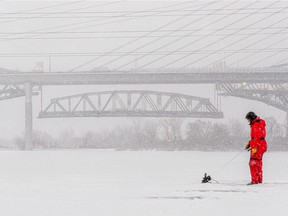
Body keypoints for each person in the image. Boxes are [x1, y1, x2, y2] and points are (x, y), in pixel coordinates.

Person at [245, 112, 268, 185]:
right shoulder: (258, 124)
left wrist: (254, 147)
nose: (248, 121)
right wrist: (249, 143)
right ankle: (258, 180)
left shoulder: (256, 125)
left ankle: (254, 181)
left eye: (248, 119)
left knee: (253, 163)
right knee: (258, 163)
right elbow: (256, 137)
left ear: (251, 118)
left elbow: (257, 138)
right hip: (261, 145)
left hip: (258, 145)